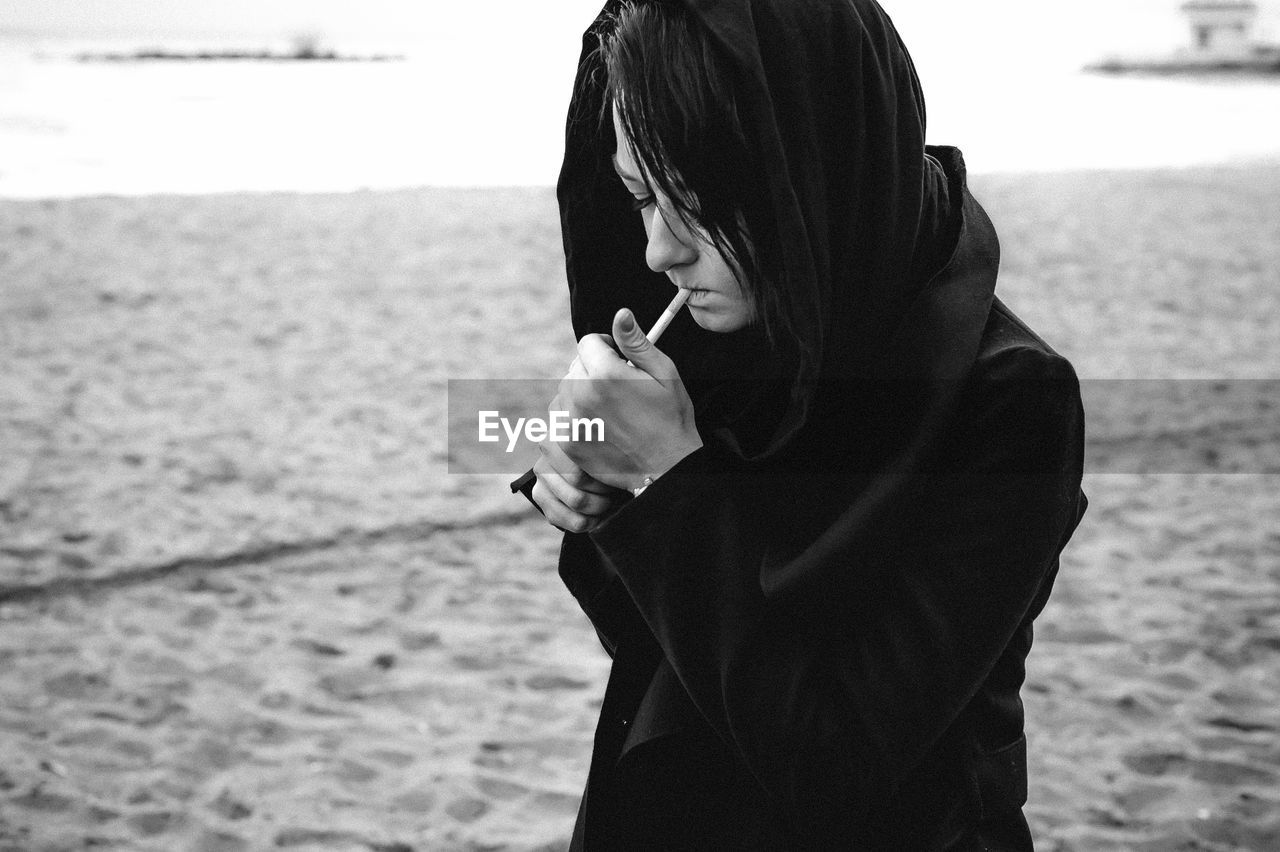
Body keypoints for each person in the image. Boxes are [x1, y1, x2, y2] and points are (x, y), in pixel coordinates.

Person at [511, 0, 1089, 847]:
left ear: (808, 167)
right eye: (640, 197)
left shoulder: (1009, 401)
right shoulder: (728, 346)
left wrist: (666, 484)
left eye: (697, 203)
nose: (659, 253)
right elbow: (655, 658)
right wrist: (600, 500)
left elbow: (832, 766)